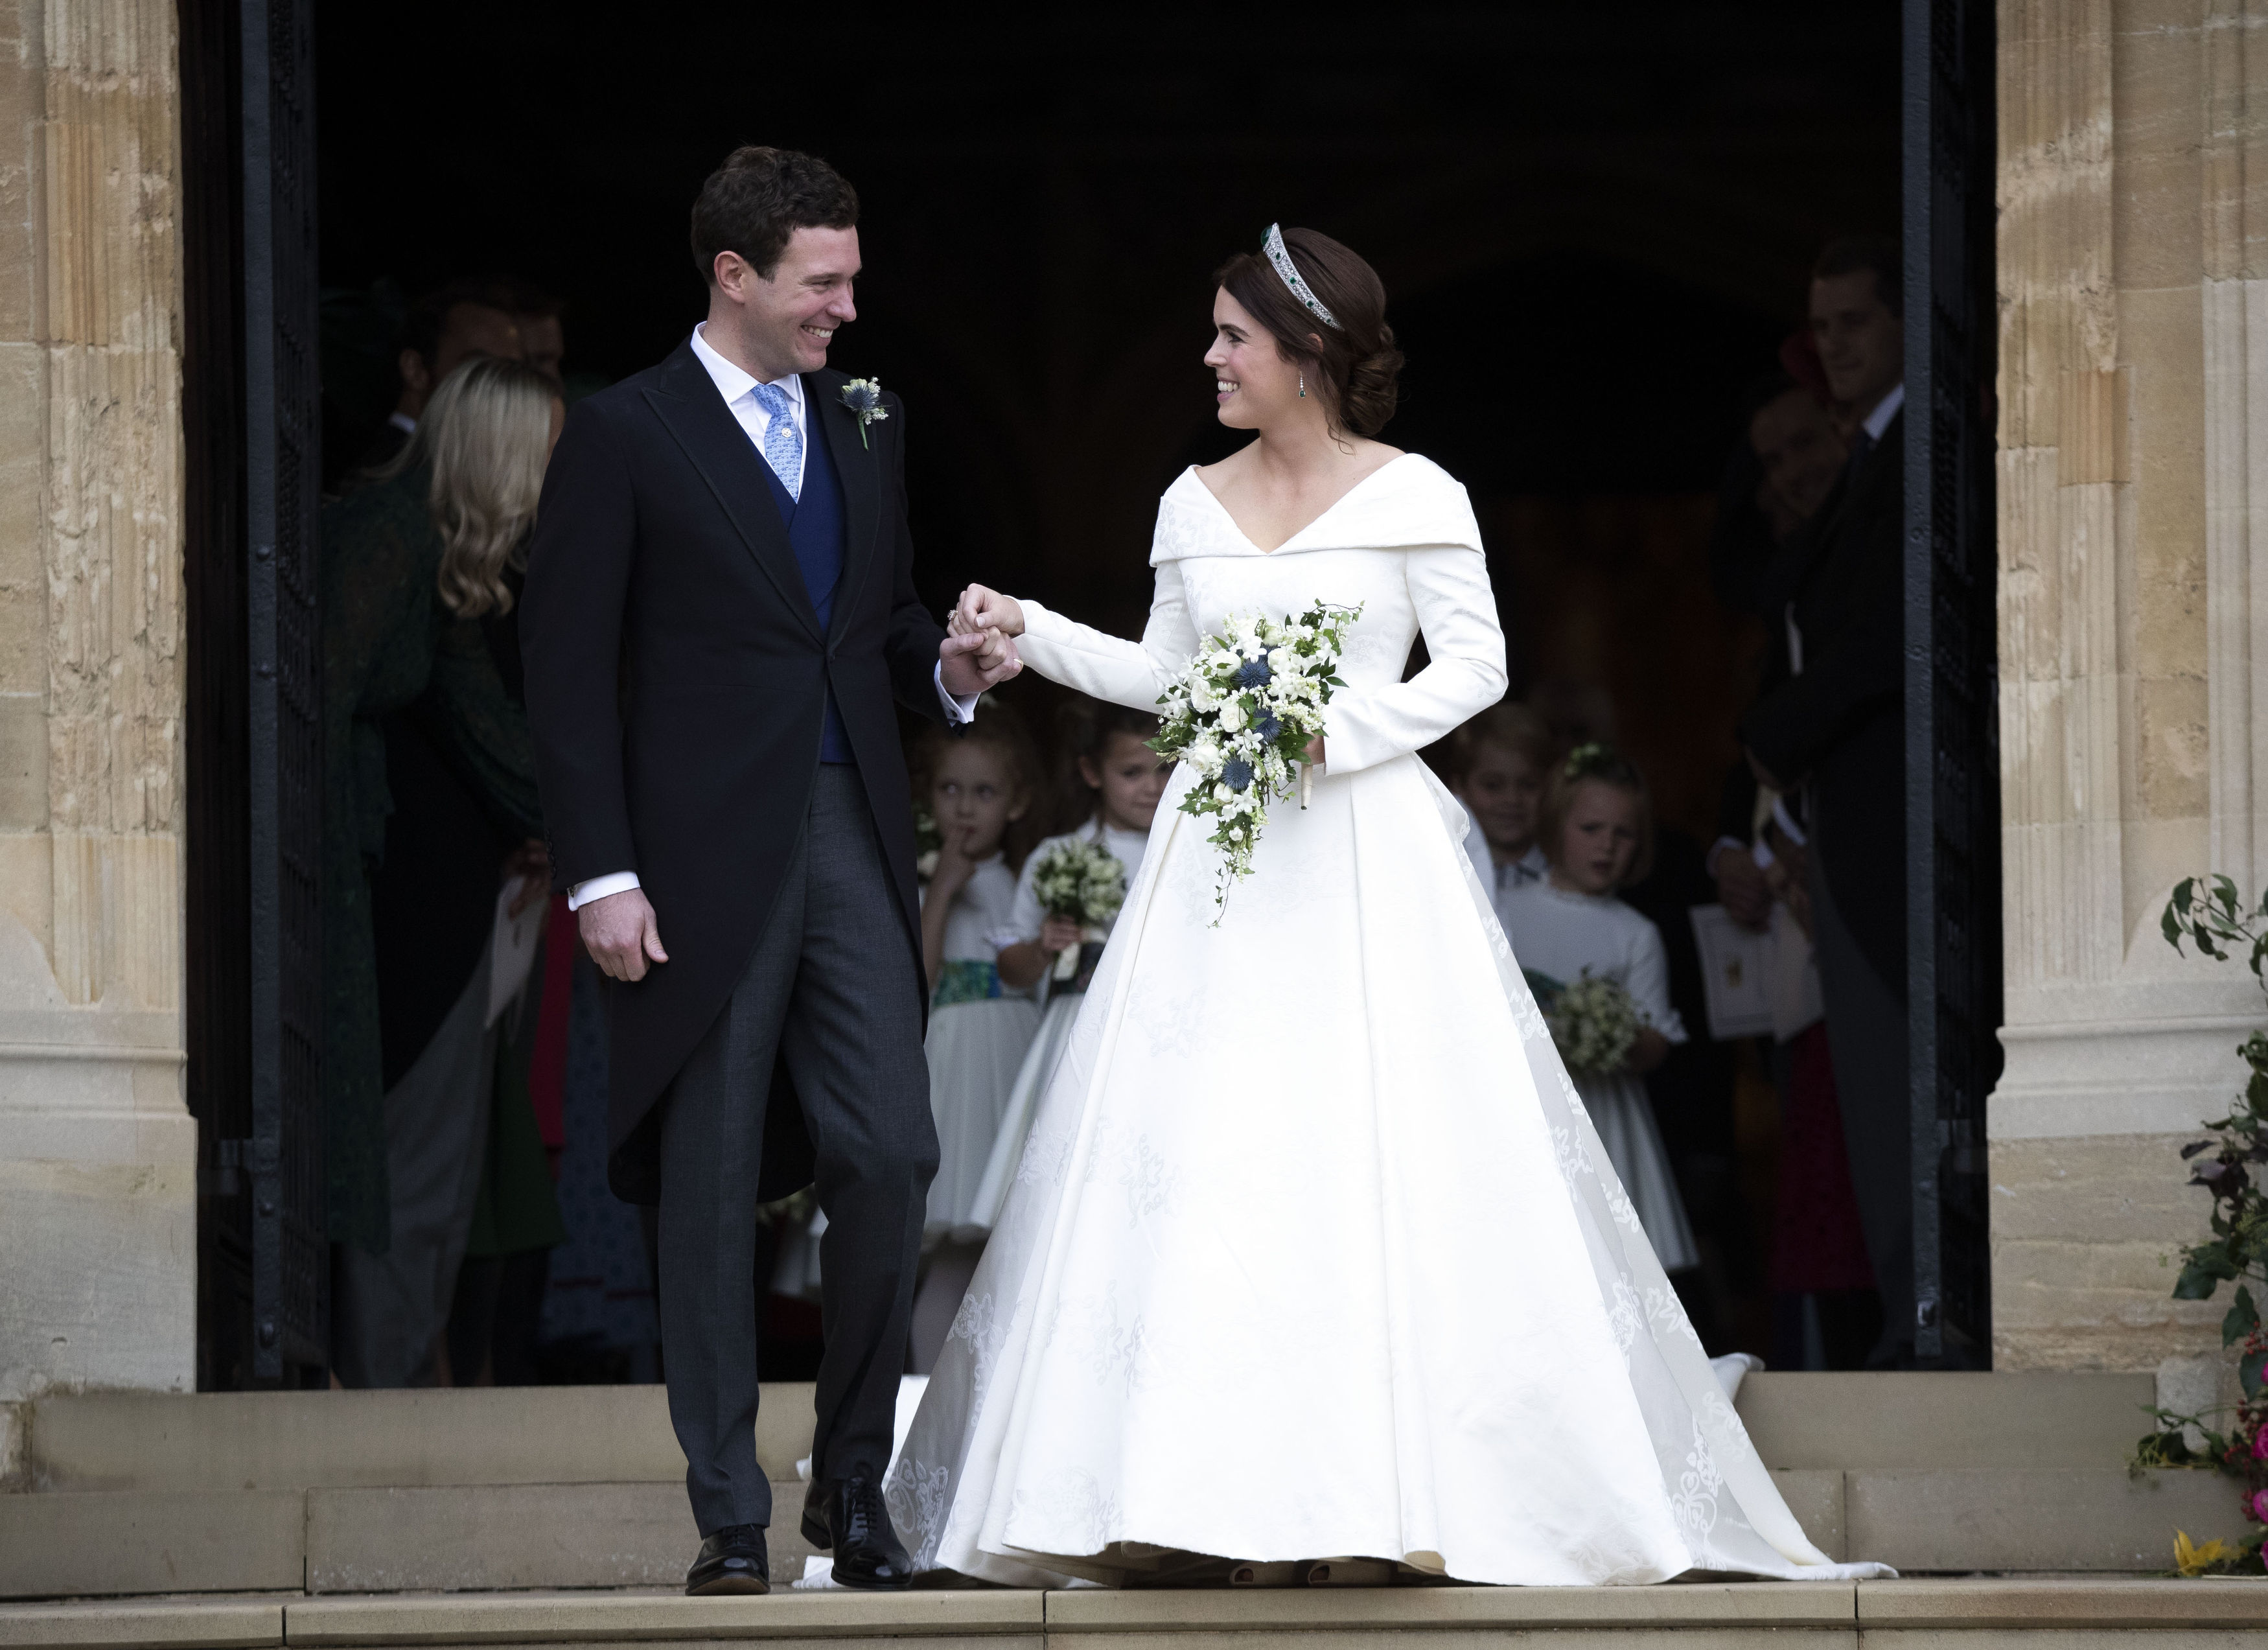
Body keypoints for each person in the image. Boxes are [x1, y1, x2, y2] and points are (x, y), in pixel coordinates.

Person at [917, 226, 1886, 1586]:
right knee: (1220, 1158)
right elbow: (1162, 673)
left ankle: (1387, 1499)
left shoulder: (1417, 488)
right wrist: (1027, 633)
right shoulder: (1190, 500)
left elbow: (1476, 667)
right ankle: (1198, 1499)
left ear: (1307, 352)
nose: (1207, 355)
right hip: (1223, 865)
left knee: (1374, 1151)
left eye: (1230, 337)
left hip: (1367, 855)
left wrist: (1340, 732)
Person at [517, 146, 1021, 1597]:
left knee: (888, 1150)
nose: (848, 310)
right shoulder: (623, 433)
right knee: (710, 1170)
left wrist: (951, 664)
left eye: (852, 278)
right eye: (824, 282)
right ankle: (729, 1513)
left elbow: (879, 619)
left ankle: (853, 1498)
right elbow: (566, 673)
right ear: (733, 275)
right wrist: (599, 875)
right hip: (688, 862)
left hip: (852, 831)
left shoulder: (870, 419)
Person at [321, 355, 560, 1386]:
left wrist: (575, 828)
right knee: (404, 1159)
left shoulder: (447, 563)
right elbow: (316, 706)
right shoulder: (390, 538)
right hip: (375, 888)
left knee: (431, 1168)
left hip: (423, 887)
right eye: (551, 455)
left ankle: (387, 1386)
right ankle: (367, 1392)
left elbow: (494, 735)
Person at [1739, 233, 1914, 1367]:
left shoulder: (1922, 451)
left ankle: (1927, 1329)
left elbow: (1888, 639)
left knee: (1902, 1082)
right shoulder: (1863, 460)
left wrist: (1772, 743)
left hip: (1900, 828)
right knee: (1867, 1099)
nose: (1834, 347)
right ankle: (1910, 1324)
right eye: (1823, 327)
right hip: (1837, 826)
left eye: (1854, 322)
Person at [966, 700, 1168, 1239]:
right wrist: (1043, 945)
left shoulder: (1188, 853)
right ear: (1091, 772)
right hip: (1078, 1030)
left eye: (1166, 768)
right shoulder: (1058, 854)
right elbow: (1012, 968)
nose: (1152, 786)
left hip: (1160, 1034)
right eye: (1133, 772)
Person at [1499, 745, 1699, 1275]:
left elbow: (1657, 1038)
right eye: (1590, 829)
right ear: (1555, 823)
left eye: (1623, 834)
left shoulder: (1636, 934)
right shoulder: (1506, 911)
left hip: (1605, 1116)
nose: (1606, 846)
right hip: (1523, 1108)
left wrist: (1608, 1036)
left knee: (1609, 1262)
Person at [907, 712, 1045, 1372]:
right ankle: (925, 1390)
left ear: (1015, 802)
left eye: (984, 792)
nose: (964, 807)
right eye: (949, 789)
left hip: (1012, 1058)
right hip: (952, 1065)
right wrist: (940, 889)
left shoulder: (1033, 883)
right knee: (953, 1237)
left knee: (1007, 1237)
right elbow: (918, 981)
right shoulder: (917, 884)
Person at [357, 279, 527, 473]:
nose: (501, 386)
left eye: (512, 372)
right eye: (480, 367)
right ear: (415, 369)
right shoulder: (387, 475)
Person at [1444, 701, 1551, 933]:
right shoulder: (1445, 871)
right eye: (1493, 785)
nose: (1512, 799)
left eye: (1528, 785)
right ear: (1459, 787)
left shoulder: (1567, 873)